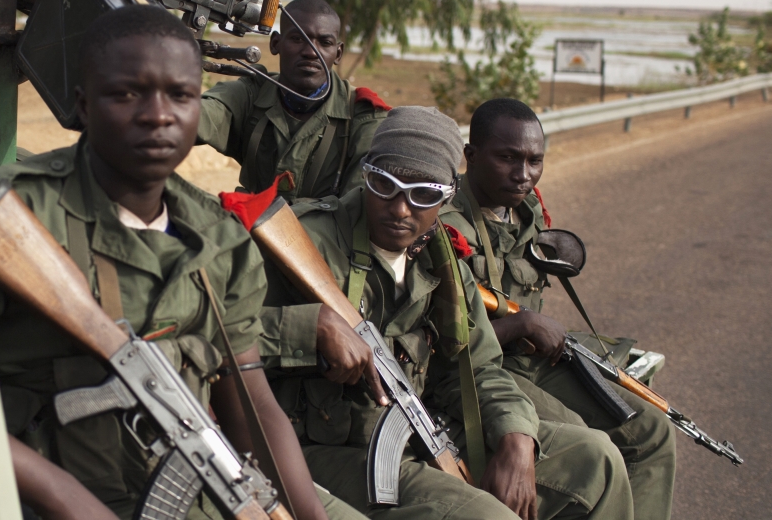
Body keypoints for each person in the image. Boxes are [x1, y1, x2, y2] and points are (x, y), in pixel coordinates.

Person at [0, 4, 356, 520]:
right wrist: (56, 493)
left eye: (180, 95)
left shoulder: (219, 239)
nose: (158, 114)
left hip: (191, 487)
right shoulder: (16, 214)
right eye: (127, 93)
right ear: (84, 105)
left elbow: (252, 403)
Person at [259, 106, 634, 520]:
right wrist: (309, 329)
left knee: (597, 459)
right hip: (316, 448)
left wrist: (515, 434)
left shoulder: (438, 256)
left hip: (419, 427)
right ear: (366, 175)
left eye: (423, 195)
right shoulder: (304, 243)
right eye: (384, 186)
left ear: (447, 196)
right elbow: (212, 334)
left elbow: (476, 364)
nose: (401, 209)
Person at [438, 98, 676, 520]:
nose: (523, 174)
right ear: (471, 156)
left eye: (535, 161)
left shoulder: (524, 207)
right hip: (483, 366)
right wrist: (524, 323)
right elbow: (440, 339)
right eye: (508, 158)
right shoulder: (444, 224)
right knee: (586, 445)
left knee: (652, 430)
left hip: (535, 359)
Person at [197, 0, 389, 201]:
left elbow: (360, 208)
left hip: (321, 233)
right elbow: (195, 116)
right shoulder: (252, 93)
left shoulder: (363, 118)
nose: (310, 52)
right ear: (276, 43)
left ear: (338, 53)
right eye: (298, 39)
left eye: (324, 43)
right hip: (248, 226)